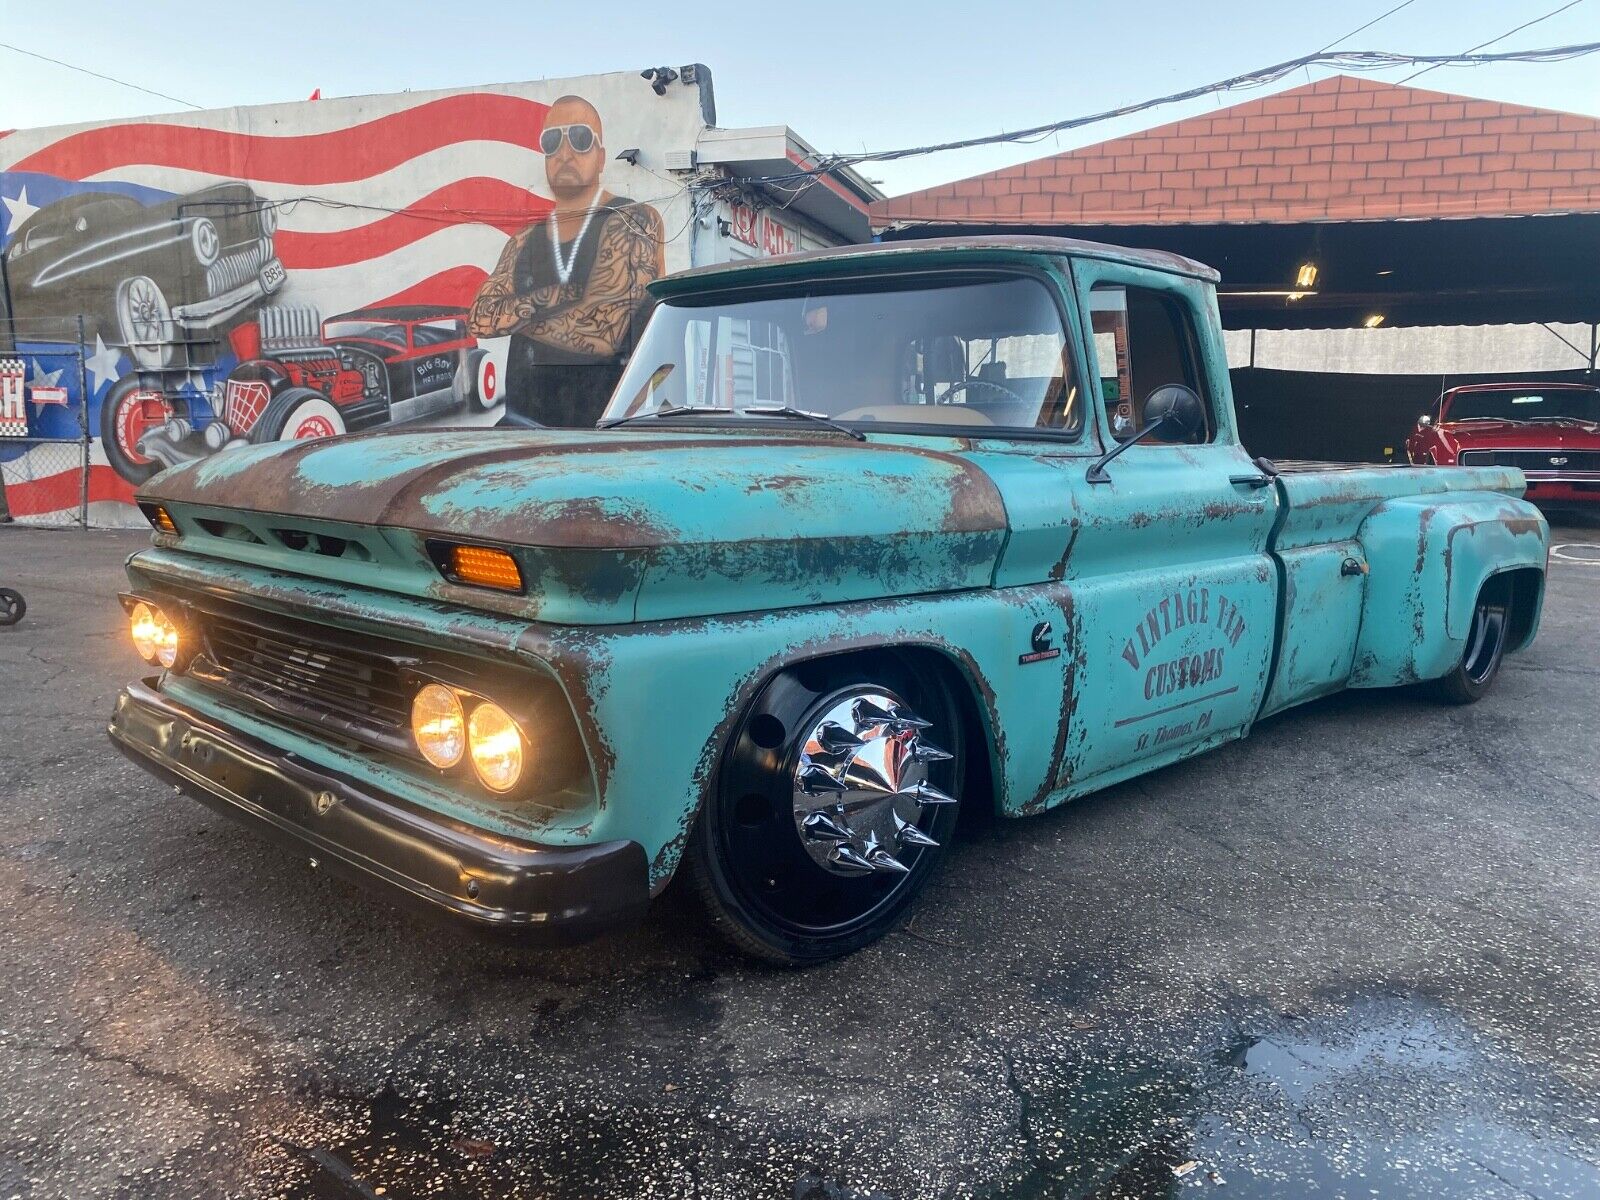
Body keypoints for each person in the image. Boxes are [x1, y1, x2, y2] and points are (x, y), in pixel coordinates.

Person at [469, 95, 665, 428]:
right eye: (552, 141)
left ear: (601, 157)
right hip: (523, 432)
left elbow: (603, 329)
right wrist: (566, 295)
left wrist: (516, 316)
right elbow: (479, 319)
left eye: (579, 138)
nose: (564, 152)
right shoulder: (524, 239)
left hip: (606, 436)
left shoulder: (633, 220)